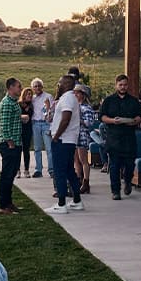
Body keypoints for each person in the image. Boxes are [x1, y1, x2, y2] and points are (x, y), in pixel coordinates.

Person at [99, 74, 141, 200]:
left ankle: (128, 182)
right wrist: (113, 121)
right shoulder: (109, 101)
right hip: (114, 138)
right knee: (114, 166)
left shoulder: (134, 101)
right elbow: (102, 116)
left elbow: (140, 116)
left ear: (128, 85)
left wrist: (135, 121)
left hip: (129, 138)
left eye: (125, 85)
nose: (123, 87)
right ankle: (115, 191)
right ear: (116, 85)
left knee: (130, 165)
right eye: (120, 85)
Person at [46, 75, 81, 214]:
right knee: (69, 171)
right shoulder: (71, 97)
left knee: (59, 172)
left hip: (63, 141)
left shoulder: (67, 98)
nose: (58, 85)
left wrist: (56, 137)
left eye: (59, 83)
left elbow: (65, 119)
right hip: (69, 140)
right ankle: (77, 200)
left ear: (65, 84)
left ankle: (61, 204)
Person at [0, 78, 22, 214]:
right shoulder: (6, 103)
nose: (21, 89)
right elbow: (4, 125)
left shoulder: (14, 103)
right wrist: (10, 142)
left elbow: (12, 119)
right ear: (11, 87)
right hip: (9, 145)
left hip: (16, 143)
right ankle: (3, 205)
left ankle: (9, 202)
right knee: (7, 175)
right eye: (18, 86)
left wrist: (21, 118)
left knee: (11, 173)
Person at [74, 79, 97, 195]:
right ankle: (78, 180)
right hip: (74, 135)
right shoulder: (74, 106)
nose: (75, 95)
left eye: (77, 93)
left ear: (82, 95)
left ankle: (86, 182)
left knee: (83, 160)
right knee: (75, 159)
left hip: (82, 135)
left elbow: (89, 123)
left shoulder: (86, 108)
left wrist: (79, 119)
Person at [29, 79, 53, 178]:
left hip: (46, 123)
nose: (37, 88)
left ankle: (51, 170)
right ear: (33, 88)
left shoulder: (48, 96)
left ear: (42, 87)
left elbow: (52, 112)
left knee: (49, 148)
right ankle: (38, 169)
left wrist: (48, 107)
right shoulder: (32, 98)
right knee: (37, 148)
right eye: (35, 86)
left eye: (39, 86)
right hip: (35, 124)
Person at [18, 86, 35, 175]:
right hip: (19, 129)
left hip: (28, 129)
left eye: (31, 94)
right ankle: (17, 170)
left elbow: (29, 118)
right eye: (28, 94)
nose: (30, 96)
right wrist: (23, 117)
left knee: (26, 150)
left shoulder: (31, 105)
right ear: (24, 95)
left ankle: (26, 170)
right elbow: (18, 117)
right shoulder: (19, 104)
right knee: (18, 150)